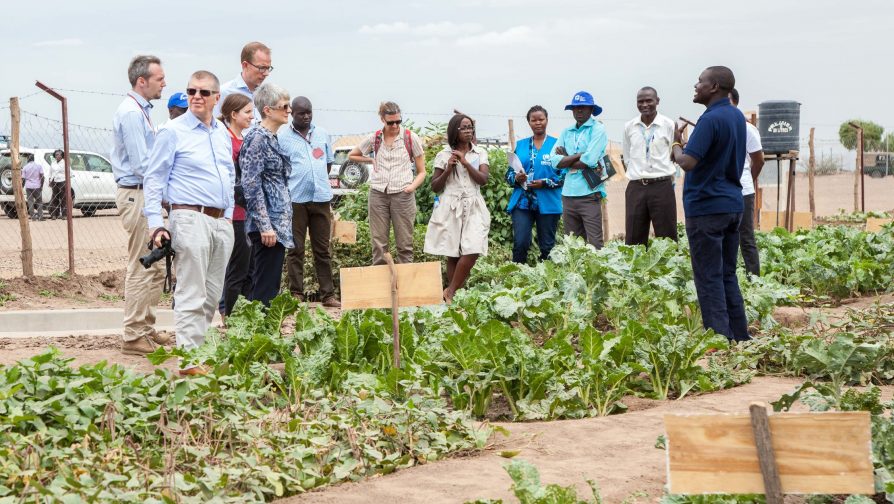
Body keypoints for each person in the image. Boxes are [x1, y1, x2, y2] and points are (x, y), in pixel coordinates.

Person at [144, 70, 236, 376]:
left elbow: (228, 174)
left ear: (216, 98)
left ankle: (198, 353)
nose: (196, 96)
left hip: (220, 221)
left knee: (211, 294)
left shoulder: (221, 132)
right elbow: (154, 178)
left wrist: (229, 214)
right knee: (191, 293)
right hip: (189, 216)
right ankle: (188, 362)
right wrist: (157, 224)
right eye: (191, 91)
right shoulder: (172, 131)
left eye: (203, 92)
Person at [671, 66, 749, 342]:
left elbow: (688, 162)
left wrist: (677, 145)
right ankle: (739, 336)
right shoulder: (737, 116)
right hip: (731, 204)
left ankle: (718, 340)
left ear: (714, 86)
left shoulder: (710, 119)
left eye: (700, 81)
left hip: (707, 207)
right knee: (727, 273)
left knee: (708, 277)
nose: (696, 85)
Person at [111, 54, 171, 356]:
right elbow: (143, 164)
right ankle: (133, 333)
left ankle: (144, 328)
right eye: (160, 79)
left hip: (143, 193)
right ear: (142, 81)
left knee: (155, 263)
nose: (165, 83)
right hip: (138, 194)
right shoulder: (133, 114)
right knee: (141, 264)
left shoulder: (140, 110)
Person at [279, 96, 340, 307]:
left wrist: (316, 179)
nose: (306, 116)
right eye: (301, 113)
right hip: (295, 199)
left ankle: (328, 295)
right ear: (291, 114)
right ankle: (296, 293)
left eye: (309, 112)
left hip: (321, 198)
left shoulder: (322, 134)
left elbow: (328, 164)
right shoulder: (282, 136)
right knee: (295, 248)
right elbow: (280, 169)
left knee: (322, 249)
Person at [348, 102, 426, 265]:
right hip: (378, 194)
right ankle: (381, 286)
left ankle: (406, 287)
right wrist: (369, 158)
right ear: (382, 119)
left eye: (398, 121)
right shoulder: (375, 138)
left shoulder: (410, 138)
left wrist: (411, 187)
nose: (395, 125)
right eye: (391, 122)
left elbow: (422, 171)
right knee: (379, 244)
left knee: (405, 244)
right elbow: (352, 155)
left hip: (403, 194)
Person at [424, 114, 490, 303]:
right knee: (453, 253)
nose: (469, 131)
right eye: (464, 128)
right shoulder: (444, 154)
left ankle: (450, 291)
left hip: (474, 204)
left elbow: (483, 180)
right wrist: (447, 169)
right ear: (455, 131)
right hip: (450, 204)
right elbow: (435, 186)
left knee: (473, 248)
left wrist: (465, 162)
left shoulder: (479, 153)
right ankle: (454, 299)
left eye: (470, 127)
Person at [240, 83, 293, 307]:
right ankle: (258, 337)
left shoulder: (271, 137)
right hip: (268, 227)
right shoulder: (258, 138)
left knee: (268, 286)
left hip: (277, 225)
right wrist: (265, 225)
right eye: (284, 106)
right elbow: (251, 183)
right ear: (268, 110)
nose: (288, 111)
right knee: (263, 289)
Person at [548, 91, 608, 249]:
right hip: (568, 194)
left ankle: (596, 273)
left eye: (583, 107)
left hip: (589, 193)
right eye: (575, 108)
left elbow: (589, 160)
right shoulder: (566, 132)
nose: (579, 110)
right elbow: (554, 161)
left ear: (591, 109)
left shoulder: (598, 129)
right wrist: (579, 155)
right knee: (573, 244)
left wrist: (566, 157)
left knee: (595, 243)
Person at [622, 87, 679, 245]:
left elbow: (672, 155)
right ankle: (636, 271)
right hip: (636, 186)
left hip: (661, 185)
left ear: (657, 101)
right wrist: (638, 174)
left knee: (667, 237)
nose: (645, 104)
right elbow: (627, 157)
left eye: (649, 100)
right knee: (634, 238)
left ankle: (669, 270)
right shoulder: (629, 126)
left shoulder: (668, 124)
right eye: (640, 101)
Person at [506, 105, 562, 263]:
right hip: (523, 201)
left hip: (548, 201)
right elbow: (509, 173)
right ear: (529, 122)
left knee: (547, 246)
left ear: (547, 120)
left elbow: (564, 175)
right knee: (521, 242)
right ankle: (517, 280)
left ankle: (547, 281)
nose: (538, 123)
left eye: (541, 119)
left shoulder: (556, 145)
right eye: (534, 120)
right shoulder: (521, 145)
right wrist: (517, 178)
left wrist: (545, 183)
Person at [218, 93, 255, 317]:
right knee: (237, 269)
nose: (252, 116)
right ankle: (228, 313)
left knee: (250, 269)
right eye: (247, 112)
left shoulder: (243, 140)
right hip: (236, 214)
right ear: (233, 114)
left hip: (248, 213)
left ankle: (244, 315)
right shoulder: (227, 141)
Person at [729, 88, 765, 277]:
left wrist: (746, 181)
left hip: (742, 192)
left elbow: (758, 161)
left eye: (726, 100)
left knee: (746, 237)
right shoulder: (714, 125)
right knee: (726, 239)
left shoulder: (748, 129)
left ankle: (754, 280)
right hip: (722, 192)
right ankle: (730, 278)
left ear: (735, 102)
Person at [217, 41, 272, 123]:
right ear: (245, 65)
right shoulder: (224, 92)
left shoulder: (267, 95)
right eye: (262, 68)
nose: (266, 73)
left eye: (268, 68)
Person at [22, 154, 44, 221]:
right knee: (39, 202)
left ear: (28, 159)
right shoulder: (39, 166)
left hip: (28, 186)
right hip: (37, 186)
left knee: (30, 202)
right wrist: (41, 185)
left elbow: (23, 178)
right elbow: (42, 176)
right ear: (34, 159)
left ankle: (33, 217)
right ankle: (40, 217)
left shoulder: (25, 167)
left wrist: (22, 186)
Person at [48, 149, 66, 219]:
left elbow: (69, 173)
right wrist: (50, 180)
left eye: (59, 154)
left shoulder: (64, 163)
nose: (57, 156)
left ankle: (64, 215)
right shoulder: (53, 163)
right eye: (56, 155)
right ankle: (54, 214)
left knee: (63, 198)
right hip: (54, 181)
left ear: (62, 156)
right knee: (55, 198)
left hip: (62, 181)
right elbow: (50, 172)